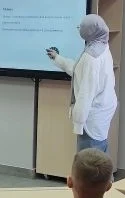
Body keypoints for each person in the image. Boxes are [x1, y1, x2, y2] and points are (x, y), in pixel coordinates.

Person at [47, 14, 118, 153]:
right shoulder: (102, 46)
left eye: (82, 27)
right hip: (100, 113)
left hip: (91, 119)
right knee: (100, 157)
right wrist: (57, 58)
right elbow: (78, 71)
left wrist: (78, 124)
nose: (79, 29)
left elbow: (86, 93)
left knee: (89, 160)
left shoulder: (91, 57)